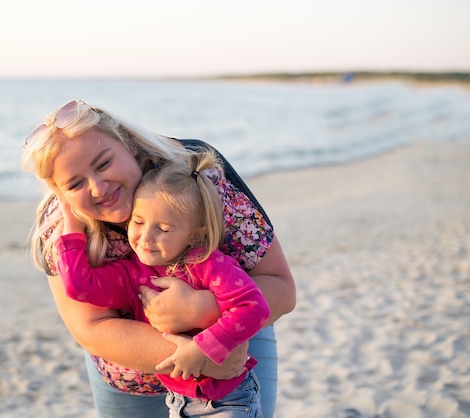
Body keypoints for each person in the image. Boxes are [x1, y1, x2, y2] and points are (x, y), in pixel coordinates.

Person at [21, 100, 296, 418]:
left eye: (103, 163)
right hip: (130, 376)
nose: (97, 187)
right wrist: (200, 359)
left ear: (129, 145)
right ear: (59, 192)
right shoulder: (60, 227)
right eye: (75, 184)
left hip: (233, 345)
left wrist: (201, 311)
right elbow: (90, 327)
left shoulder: (197, 176)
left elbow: (281, 287)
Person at [55, 149, 270, 416]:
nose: (146, 237)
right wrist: (73, 230)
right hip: (178, 400)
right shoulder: (135, 272)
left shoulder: (210, 265)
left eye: (163, 229)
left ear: (195, 233)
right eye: (138, 221)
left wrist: (202, 350)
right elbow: (81, 287)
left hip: (228, 400)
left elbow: (254, 307)